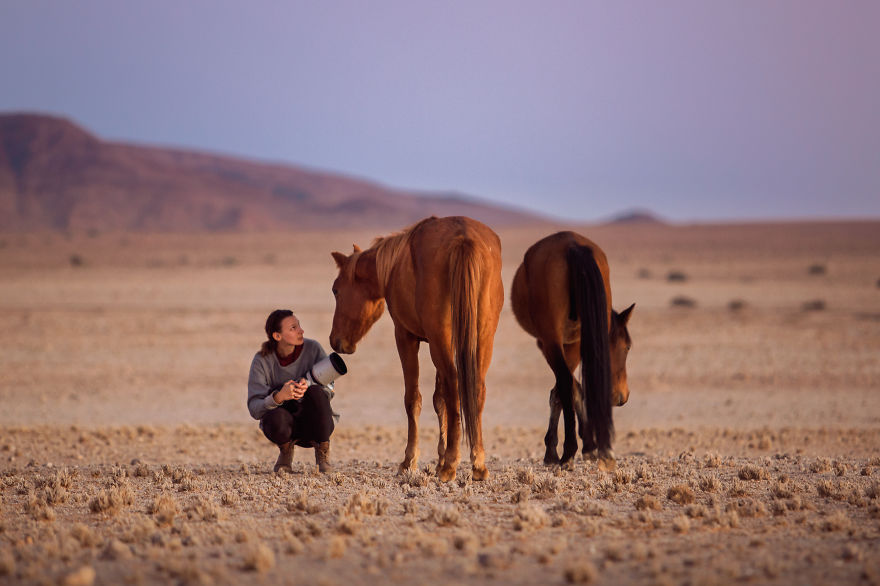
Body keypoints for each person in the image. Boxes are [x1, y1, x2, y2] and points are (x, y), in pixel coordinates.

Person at [247, 309, 338, 473]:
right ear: (277, 336)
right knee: (274, 416)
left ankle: (322, 452)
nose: (301, 331)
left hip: (315, 424)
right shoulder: (261, 360)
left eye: (299, 326)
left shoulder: (314, 349)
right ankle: (285, 452)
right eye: (293, 328)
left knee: (317, 392)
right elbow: (254, 408)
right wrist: (278, 397)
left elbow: (330, 387)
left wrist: (310, 386)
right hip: (286, 427)